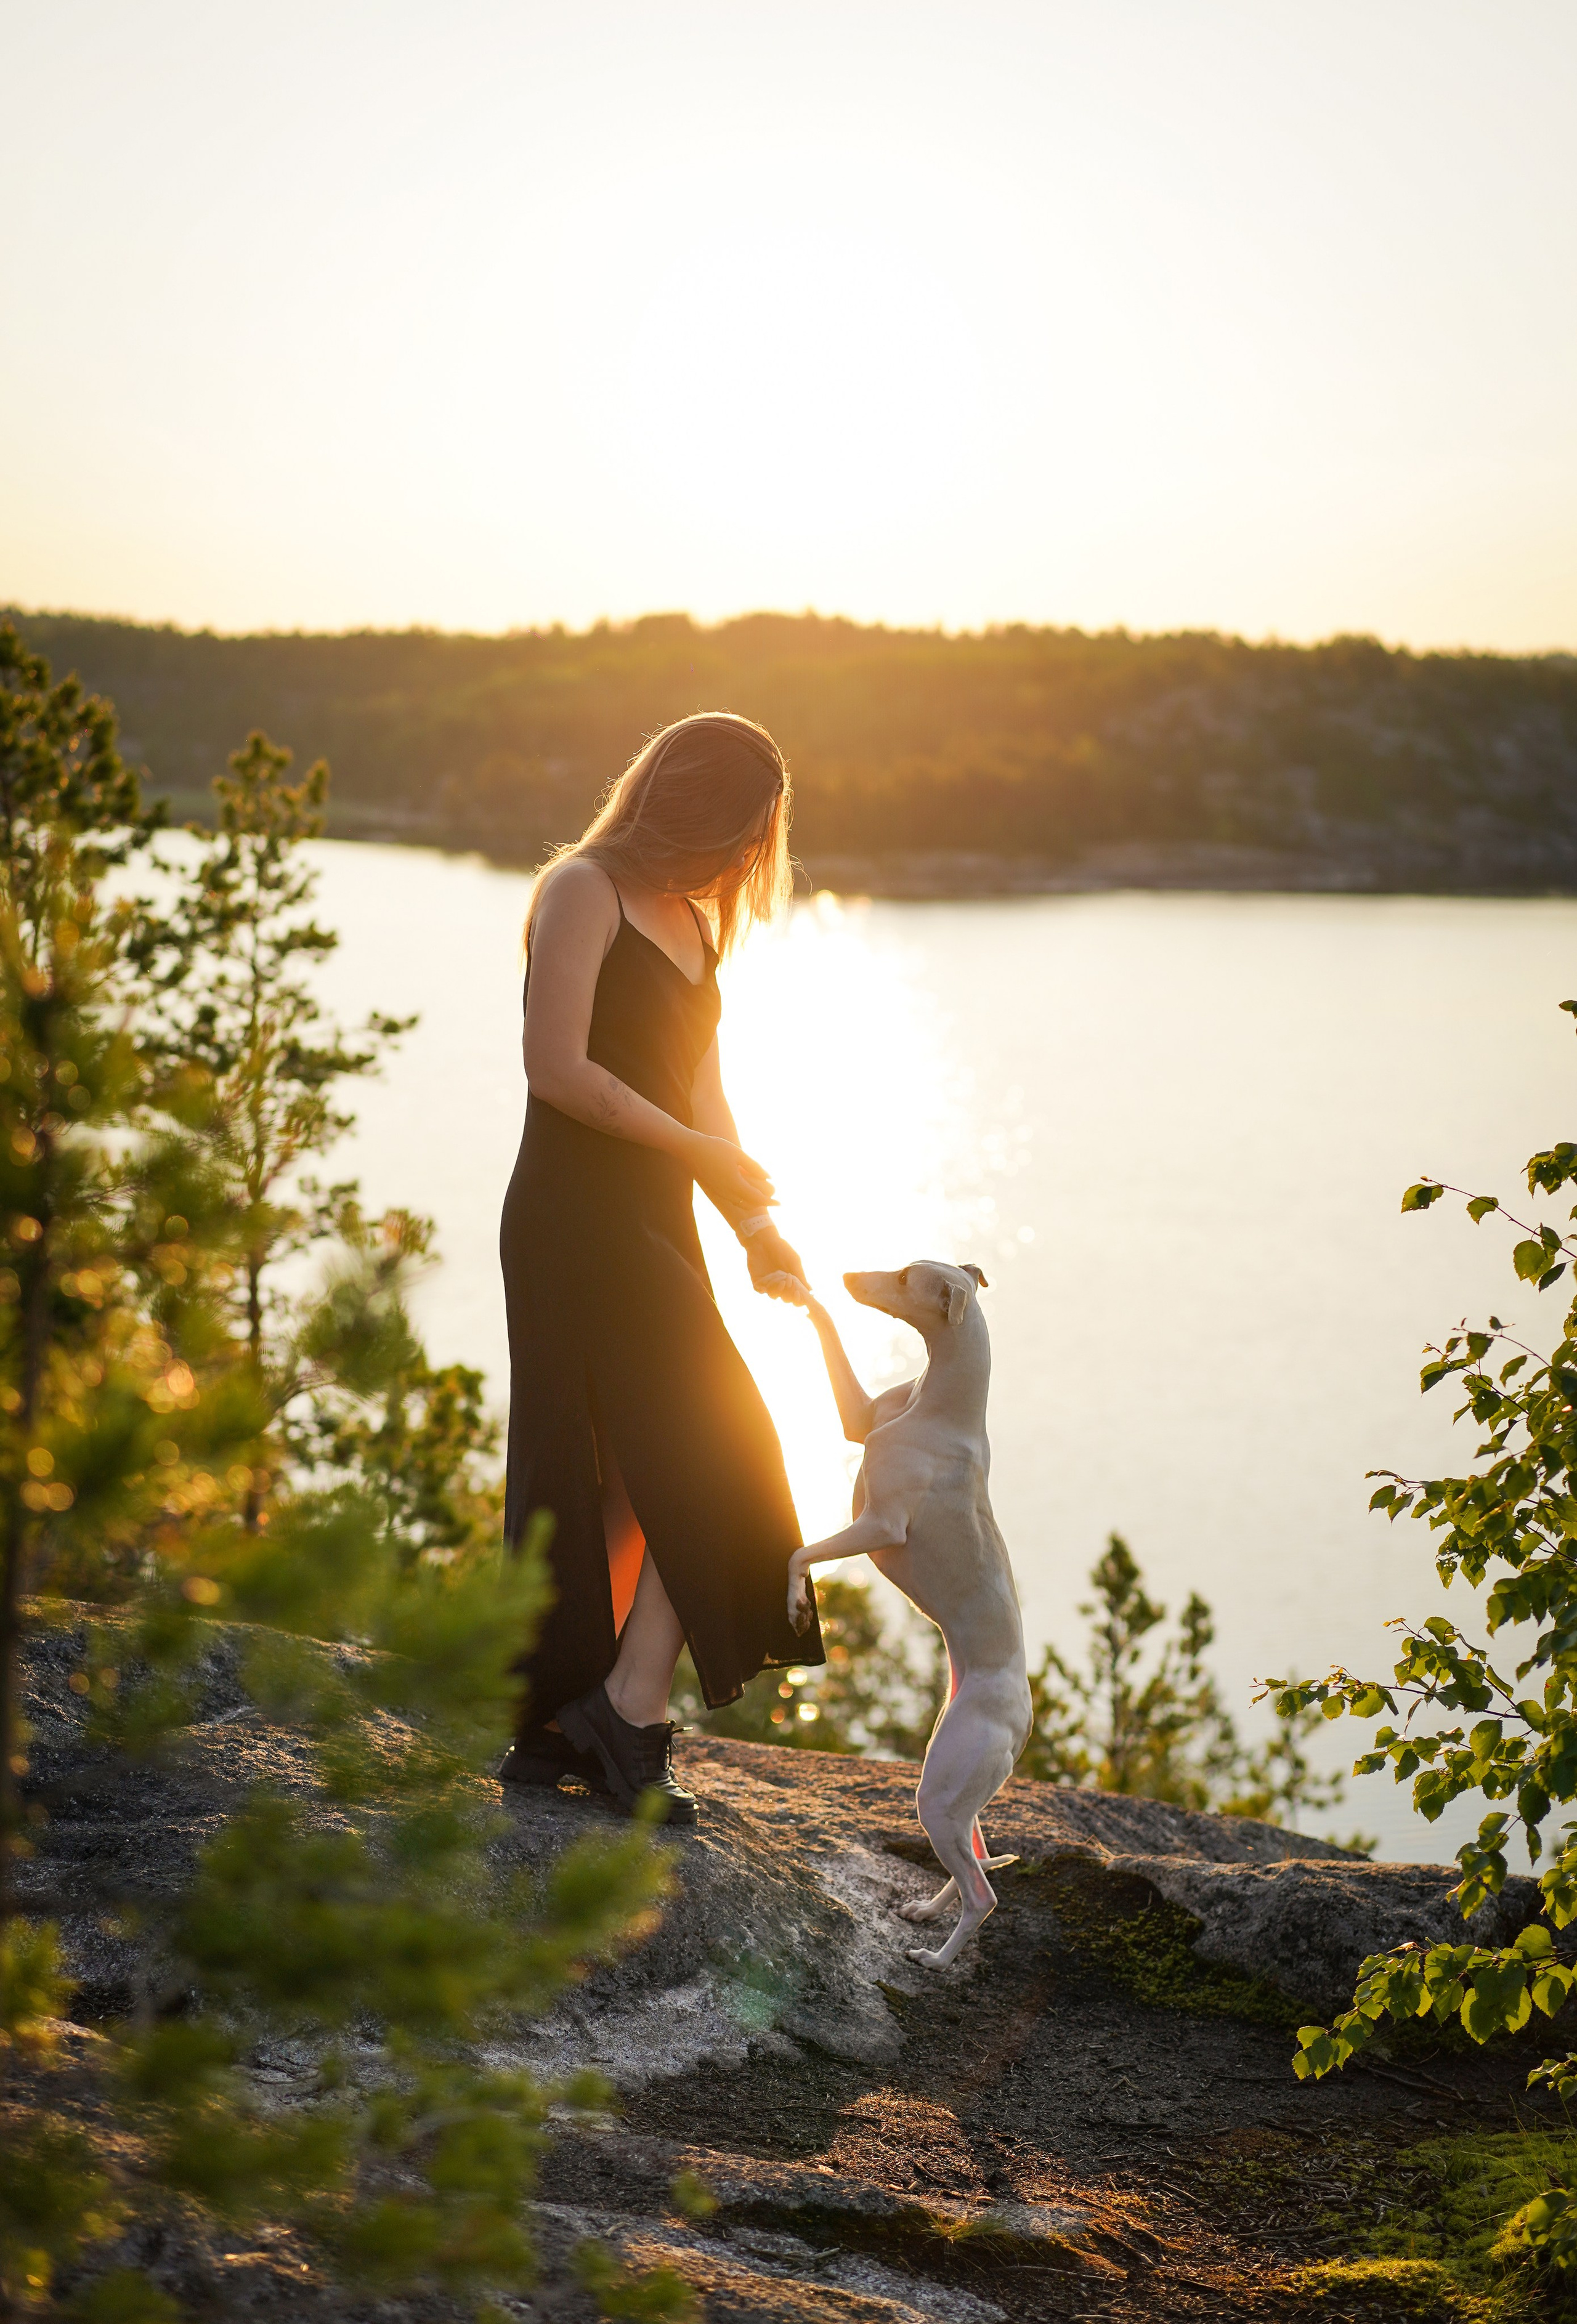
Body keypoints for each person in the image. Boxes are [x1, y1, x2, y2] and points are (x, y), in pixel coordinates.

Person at [498, 711, 824, 1823]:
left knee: (643, 1476)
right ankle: (624, 1713)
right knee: (720, 1459)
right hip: (572, 1218)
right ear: (683, 805)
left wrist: (752, 1223)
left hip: (659, 1221)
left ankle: (564, 1725)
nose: (743, 863)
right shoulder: (582, 889)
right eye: (738, 836)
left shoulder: (694, 920)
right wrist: (699, 1155)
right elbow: (556, 1068)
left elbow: (701, 1095)